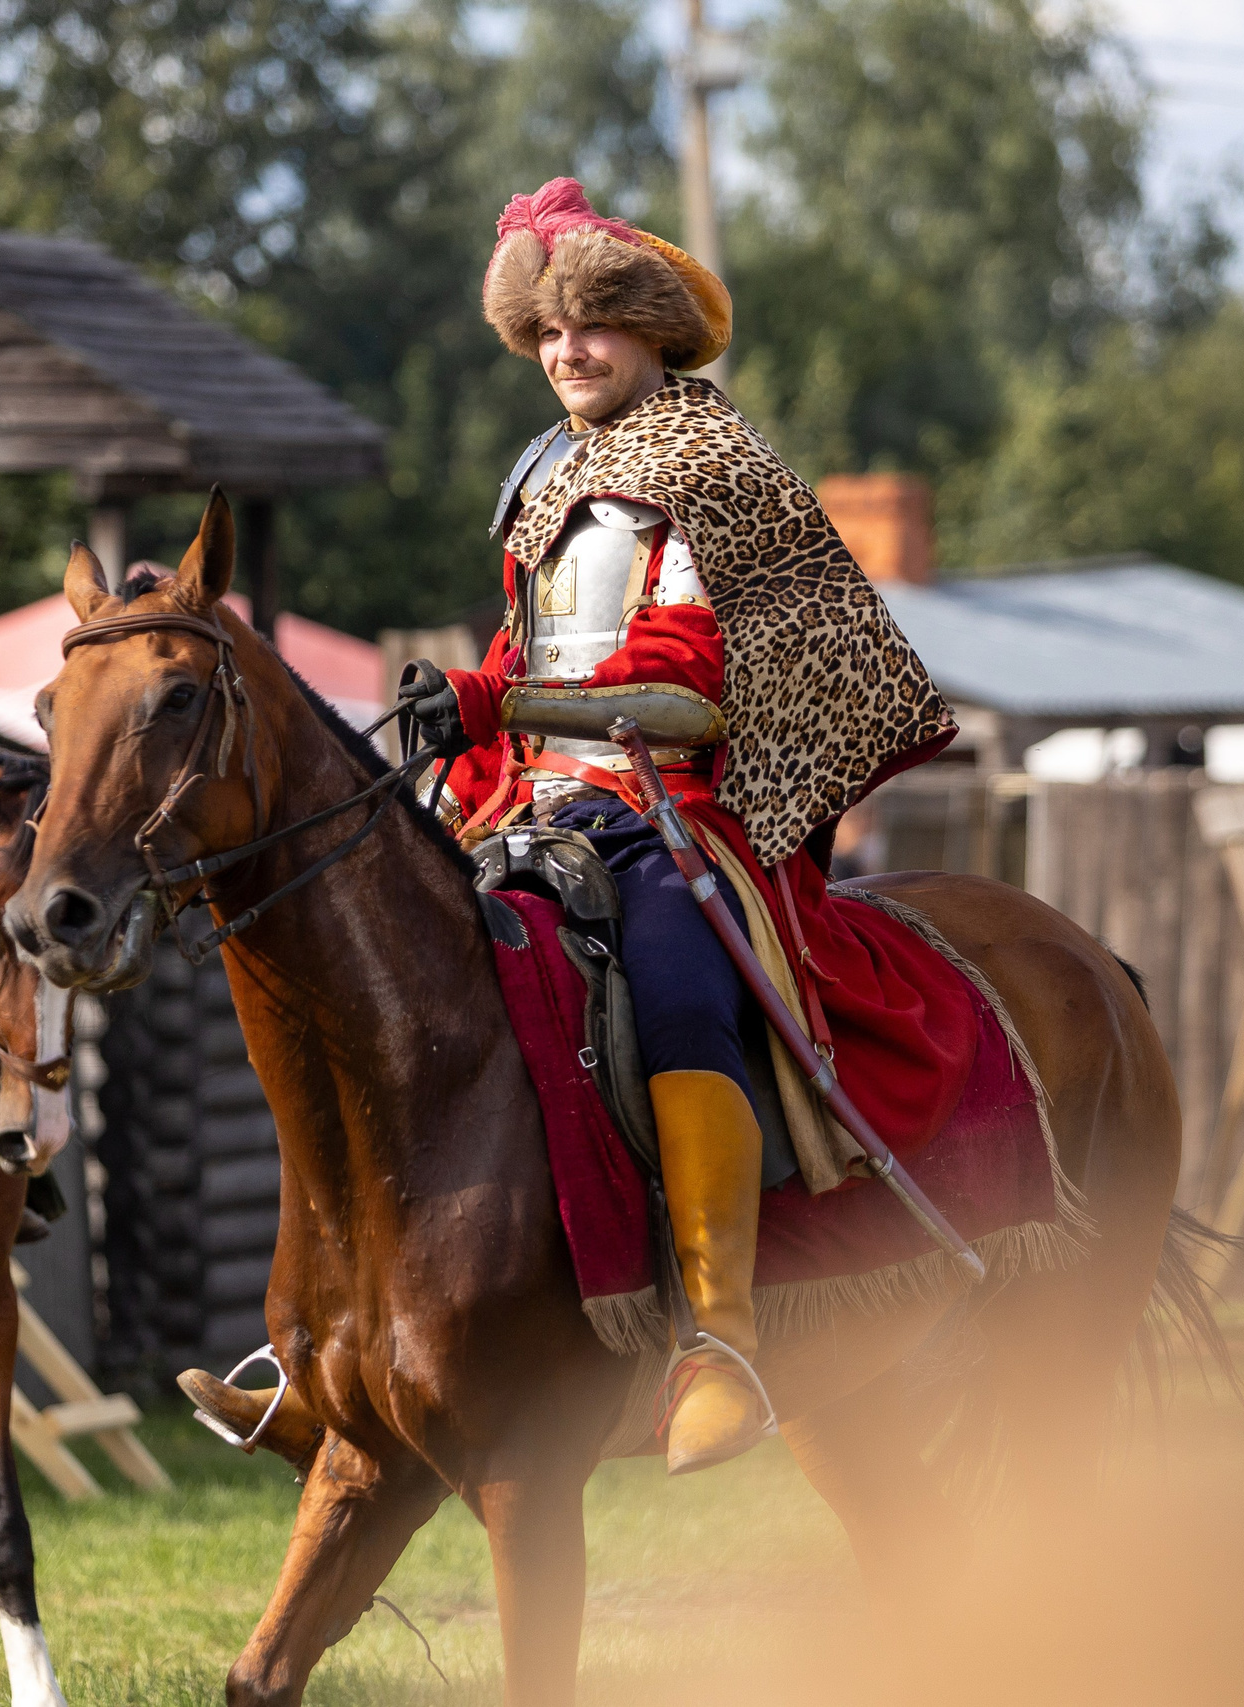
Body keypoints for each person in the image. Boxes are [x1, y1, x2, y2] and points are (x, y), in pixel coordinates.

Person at [398, 180, 958, 1474]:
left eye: (591, 324)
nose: (565, 352)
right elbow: (520, 647)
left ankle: (724, 1335)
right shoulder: (542, 481)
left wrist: (507, 692)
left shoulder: (709, 466)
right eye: (545, 331)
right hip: (528, 805)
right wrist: (466, 730)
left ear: (651, 331)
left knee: (677, 981)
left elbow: (688, 691)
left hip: (672, 809)